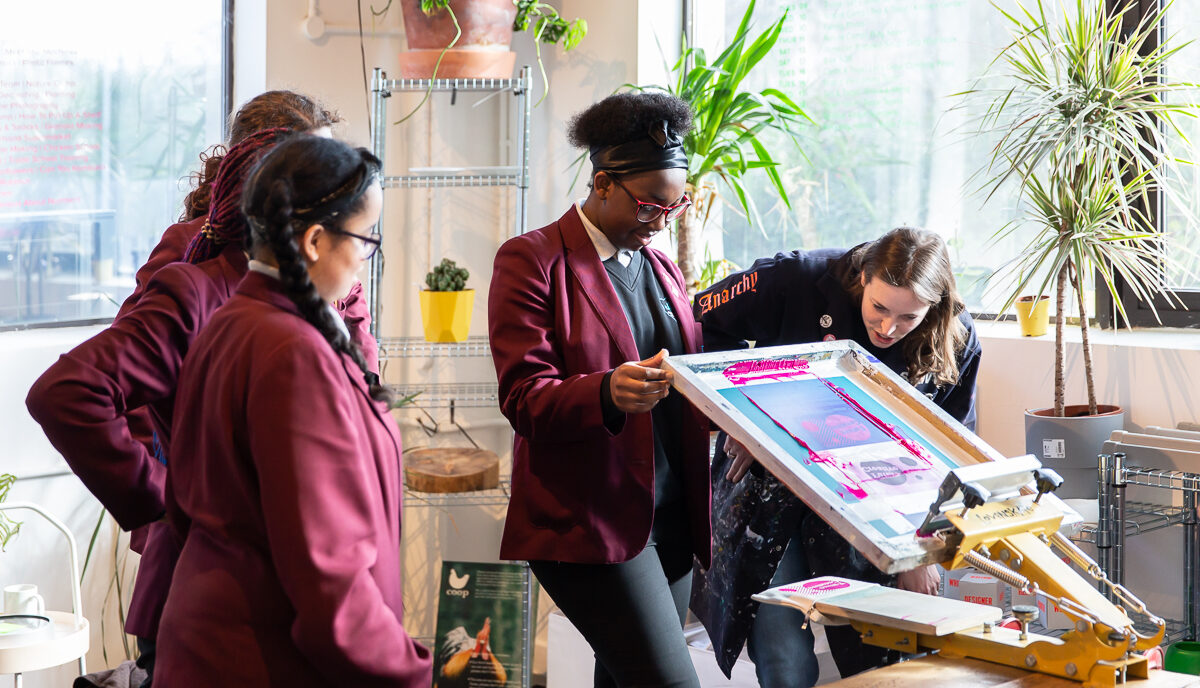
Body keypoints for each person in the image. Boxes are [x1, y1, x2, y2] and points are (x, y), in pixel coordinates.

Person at [23, 126, 374, 687]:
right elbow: (66, 392)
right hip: (209, 595)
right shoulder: (198, 291)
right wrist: (166, 496)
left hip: (303, 597)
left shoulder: (321, 301)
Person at [155, 134, 430, 686]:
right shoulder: (293, 354)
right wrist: (408, 671)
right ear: (313, 240)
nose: (366, 258)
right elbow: (328, 573)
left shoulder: (237, 321)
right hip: (260, 655)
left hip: (213, 640)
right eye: (364, 238)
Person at [690, 227, 983, 687]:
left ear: (937, 305)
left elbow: (948, 460)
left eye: (908, 317)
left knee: (883, 664)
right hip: (772, 492)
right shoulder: (796, 278)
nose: (888, 328)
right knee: (784, 661)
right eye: (879, 308)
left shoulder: (958, 341)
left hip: (876, 510)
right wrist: (746, 415)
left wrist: (921, 554)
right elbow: (698, 321)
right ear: (863, 275)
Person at [488, 92, 712, 688]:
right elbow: (524, 399)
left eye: (674, 206)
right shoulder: (532, 262)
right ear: (603, 183)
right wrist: (607, 392)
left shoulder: (661, 268)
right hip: (589, 523)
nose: (661, 221)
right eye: (648, 205)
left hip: (668, 517)